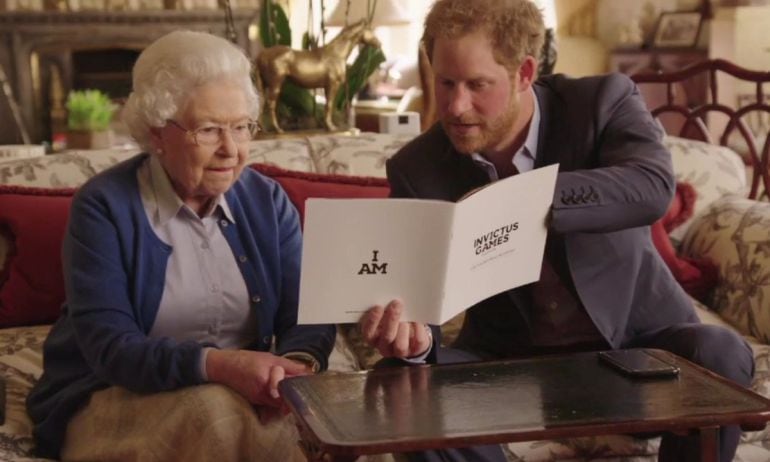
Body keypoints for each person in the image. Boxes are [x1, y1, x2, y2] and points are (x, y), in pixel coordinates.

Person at [358, 1, 754, 461]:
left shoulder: (602, 102)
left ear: (525, 72)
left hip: (637, 348)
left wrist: (527, 198)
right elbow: (413, 292)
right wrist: (414, 339)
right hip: (511, 365)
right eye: (446, 83)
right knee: (397, 382)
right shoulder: (417, 167)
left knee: (721, 353)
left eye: (476, 85)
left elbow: (652, 187)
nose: (455, 106)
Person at [26, 30, 335, 461]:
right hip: (114, 392)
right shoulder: (104, 207)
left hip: (242, 391)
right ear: (157, 133)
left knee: (329, 425)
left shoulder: (266, 200)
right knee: (216, 415)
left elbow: (309, 310)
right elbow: (111, 348)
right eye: (209, 130)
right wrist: (220, 366)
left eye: (242, 127)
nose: (231, 150)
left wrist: (293, 368)